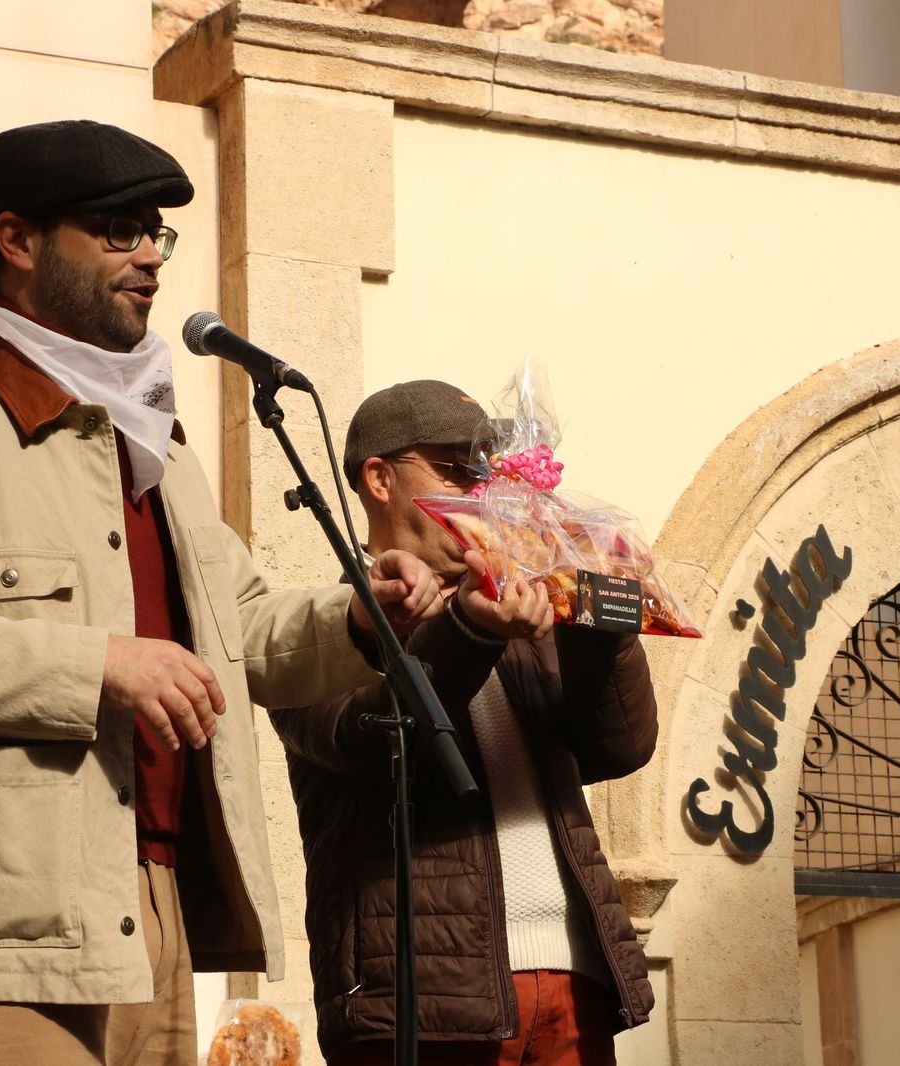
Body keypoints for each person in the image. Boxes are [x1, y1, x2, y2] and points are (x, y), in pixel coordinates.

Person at [0, 119, 441, 1066]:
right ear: (17, 241)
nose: (148, 257)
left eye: (153, 232)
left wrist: (363, 613)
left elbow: (241, 630)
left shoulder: (156, 449)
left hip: (149, 905)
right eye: (115, 230)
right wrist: (97, 665)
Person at [268, 380, 658, 1065]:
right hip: (424, 1001)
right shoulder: (321, 634)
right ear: (380, 479)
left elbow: (620, 745)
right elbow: (366, 741)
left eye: (488, 472)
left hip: (574, 981)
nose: (480, 491)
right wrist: (467, 632)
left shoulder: (522, 614)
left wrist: (601, 614)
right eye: (455, 469)